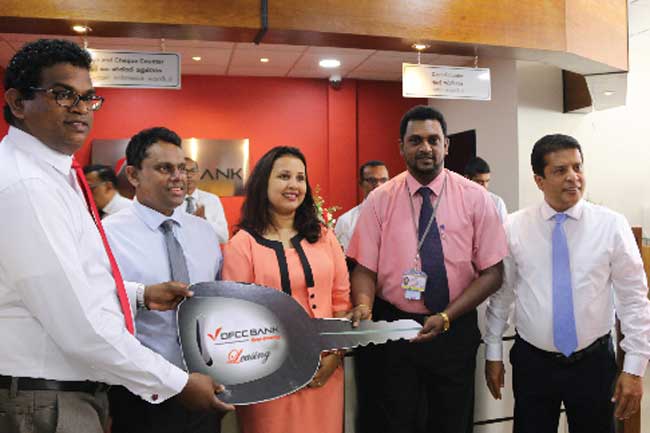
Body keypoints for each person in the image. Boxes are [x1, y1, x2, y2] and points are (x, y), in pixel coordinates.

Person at [0, 39, 232, 433]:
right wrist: (176, 383)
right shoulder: (28, 186)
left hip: (70, 393)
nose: (80, 108)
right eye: (63, 94)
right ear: (18, 102)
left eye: (88, 97)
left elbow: (75, 284)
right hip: (47, 400)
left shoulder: (53, 176)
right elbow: (80, 324)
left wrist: (140, 295)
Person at [347, 105, 508, 433]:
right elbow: (364, 267)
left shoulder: (477, 199)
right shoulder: (379, 200)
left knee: (451, 423)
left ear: (446, 145)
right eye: (415, 140)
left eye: (433, 140)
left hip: (454, 328)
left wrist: (447, 315)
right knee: (394, 422)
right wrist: (363, 303)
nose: (425, 147)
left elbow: (493, 273)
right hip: (394, 330)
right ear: (401, 147)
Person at [484, 134, 650, 433]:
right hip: (533, 362)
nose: (573, 177)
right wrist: (493, 352)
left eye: (578, 167)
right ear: (539, 180)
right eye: (560, 170)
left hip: (594, 363)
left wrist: (635, 367)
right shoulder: (514, 227)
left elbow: (634, 299)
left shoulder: (611, 225)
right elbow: (502, 294)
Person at [222, 146, 360, 433]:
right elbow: (237, 320)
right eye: (284, 176)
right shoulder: (243, 245)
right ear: (264, 182)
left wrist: (335, 355)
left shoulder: (324, 236)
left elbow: (340, 299)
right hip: (269, 379)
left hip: (325, 373)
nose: (294, 185)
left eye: (300, 177)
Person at [104, 127, 224, 433]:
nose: (178, 177)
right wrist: (142, 295)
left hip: (203, 387)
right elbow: (96, 302)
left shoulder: (204, 233)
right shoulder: (107, 235)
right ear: (133, 175)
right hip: (141, 392)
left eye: (182, 168)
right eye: (164, 168)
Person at [335, 160, 389, 252]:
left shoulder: (401, 217)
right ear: (361, 184)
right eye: (372, 180)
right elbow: (342, 257)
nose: (378, 186)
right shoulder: (346, 221)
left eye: (383, 180)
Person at [184, 156, 229, 243]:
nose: (189, 175)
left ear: (199, 174)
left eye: (192, 171)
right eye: (185, 171)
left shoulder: (212, 200)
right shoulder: (170, 201)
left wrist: (204, 221)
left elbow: (224, 237)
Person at [464, 156, 508, 222]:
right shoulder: (456, 202)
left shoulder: (497, 203)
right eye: (479, 181)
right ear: (467, 179)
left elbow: (505, 227)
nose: (485, 186)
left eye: (487, 181)